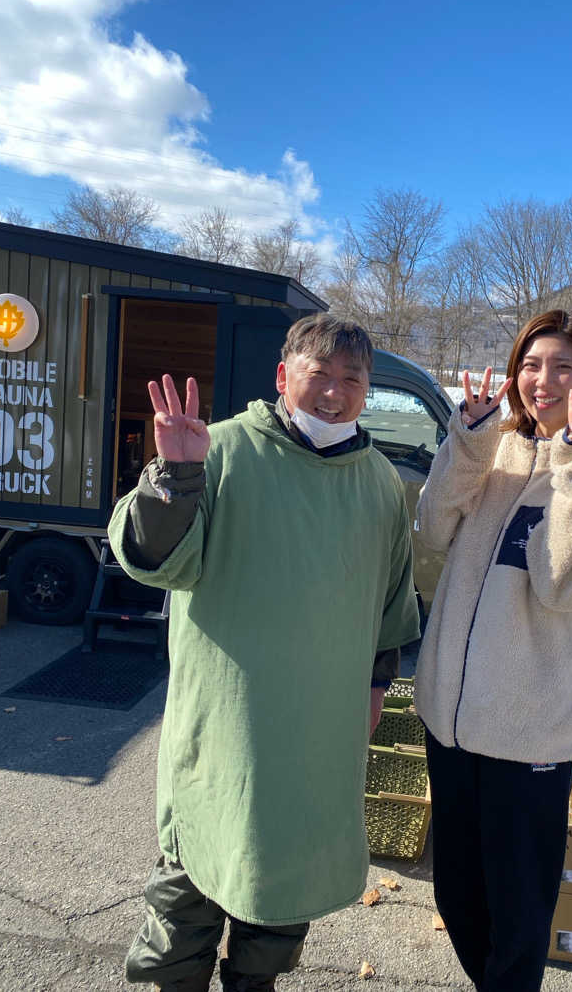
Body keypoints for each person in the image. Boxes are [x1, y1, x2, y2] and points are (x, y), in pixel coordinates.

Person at [107, 314, 420, 992]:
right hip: (224, 729)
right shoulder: (217, 451)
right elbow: (151, 556)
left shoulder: (379, 485)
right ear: (284, 376)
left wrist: (373, 691)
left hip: (315, 742)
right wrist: (173, 478)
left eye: (351, 379)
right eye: (319, 374)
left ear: (368, 390)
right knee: (188, 892)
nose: (334, 393)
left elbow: (389, 608)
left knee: (281, 900)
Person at [414, 309, 572, 992]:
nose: (542, 380)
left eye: (563, 366)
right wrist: (466, 438)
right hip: (451, 723)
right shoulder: (496, 450)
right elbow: (431, 530)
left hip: (530, 737)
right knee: (458, 899)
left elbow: (562, 585)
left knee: (518, 919)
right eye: (530, 363)